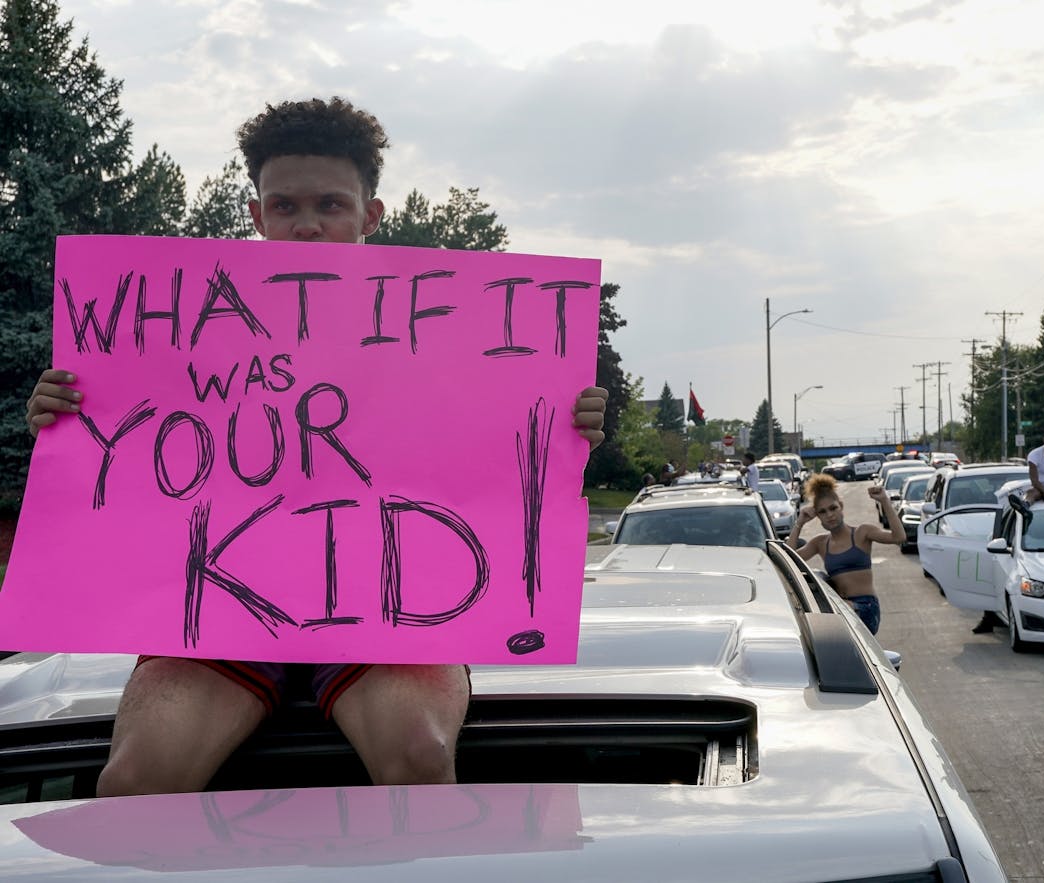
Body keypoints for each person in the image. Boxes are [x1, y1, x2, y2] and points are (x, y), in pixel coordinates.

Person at [24, 97, 609, 796]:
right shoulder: (178, 324)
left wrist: (565, 426)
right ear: (255, 216)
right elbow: (125, 456)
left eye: (330, 204)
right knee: (135, 779)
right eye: (285, 206)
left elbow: (497, 472)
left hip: (389, 607)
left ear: (371, 214)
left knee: (418, 756)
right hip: (219, 610)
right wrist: (65, 417)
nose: (306, 224)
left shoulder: (452, 329)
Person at [789, 474, 905, 634]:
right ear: (817, 516)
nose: (829, 515)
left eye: (833, 508)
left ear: (841, 506)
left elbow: (898, 537)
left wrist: (884, 501)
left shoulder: (862, 533)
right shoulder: (820, 543)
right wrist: (799, 523)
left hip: (866, 608)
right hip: (842, 607)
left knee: (833, 614)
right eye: (822, 512)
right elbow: (788, 559)